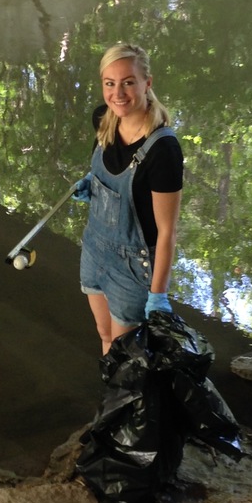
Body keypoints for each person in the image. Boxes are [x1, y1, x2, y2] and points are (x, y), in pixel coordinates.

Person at [74, 42, 184, 355]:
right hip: (94, 250)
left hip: (132, 267)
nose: (118, 94)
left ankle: (126, 389)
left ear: (147, 83)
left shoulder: (163, 149)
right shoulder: (103, 119)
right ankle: (111, 387)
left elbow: (167, 232)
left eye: (128, 83)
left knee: (127, 354)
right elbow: (105, 167)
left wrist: (158, 295)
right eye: (110, 83)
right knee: (104, 335)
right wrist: (90, 183)